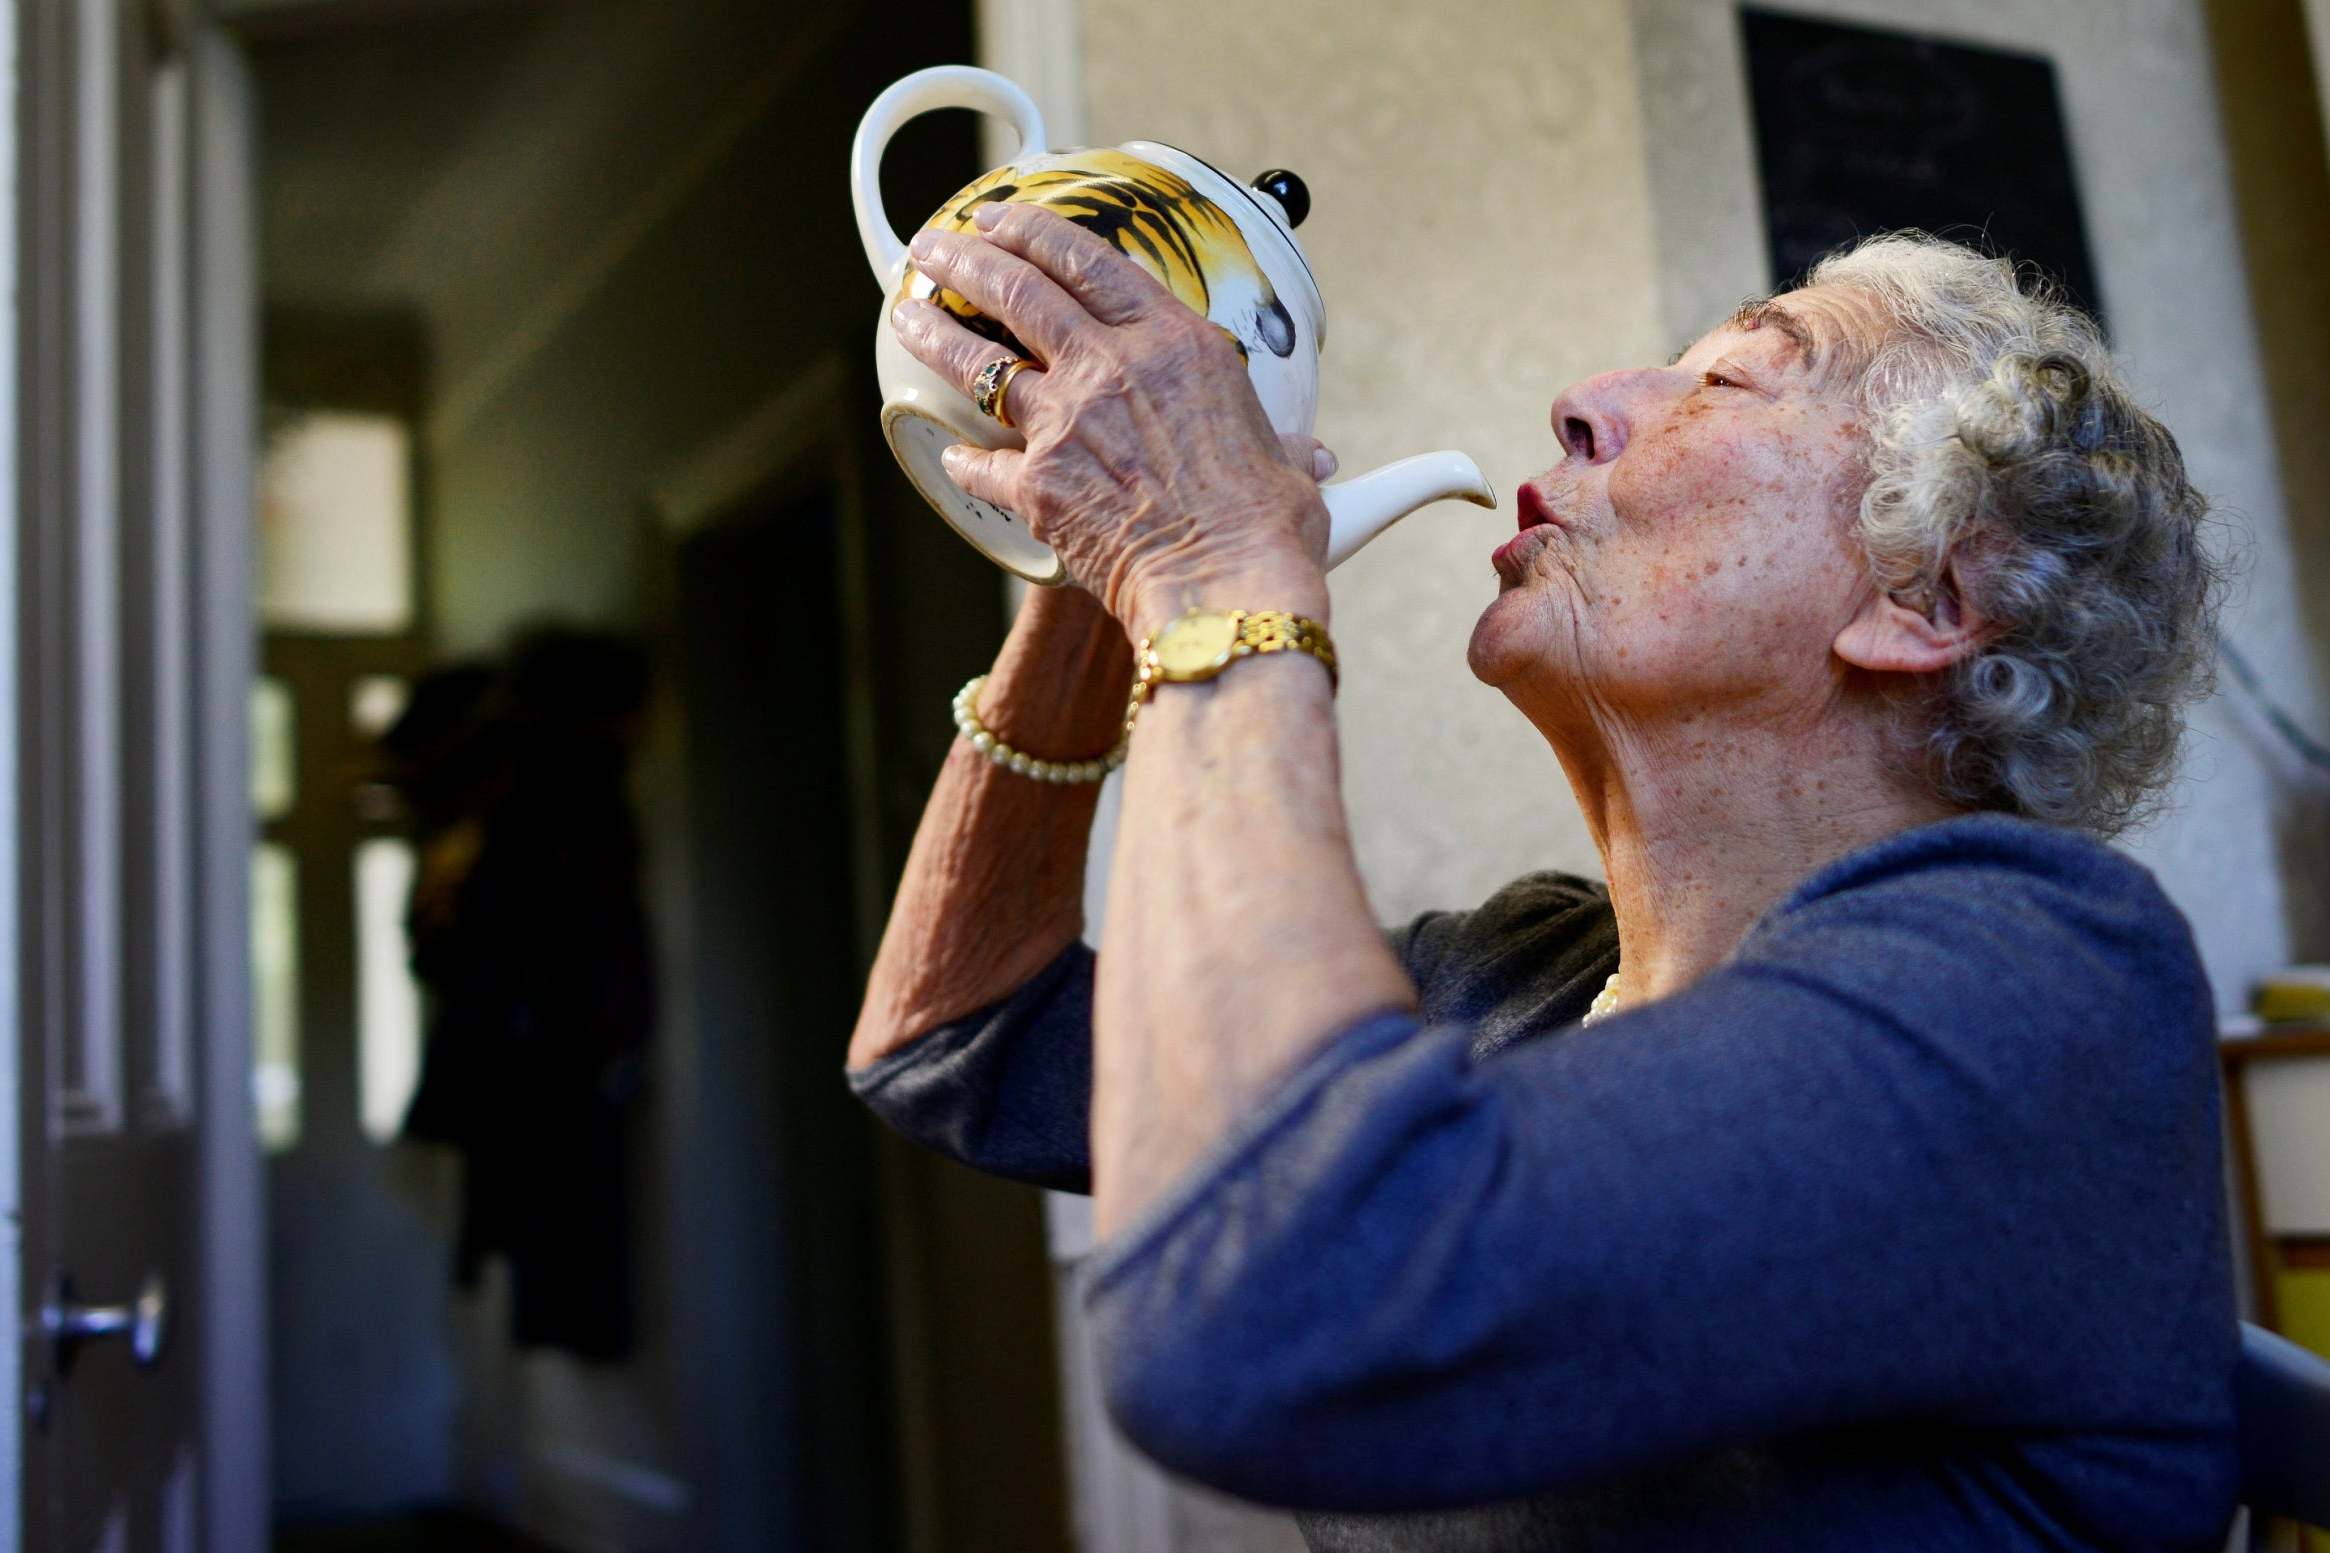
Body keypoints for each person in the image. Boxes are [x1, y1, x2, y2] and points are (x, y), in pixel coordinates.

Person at [845, 204, 2236, 1551]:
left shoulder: (2041, 987)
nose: (1583, 401)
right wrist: (1100, 575)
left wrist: (1207, 567)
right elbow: (955, 1036)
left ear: (1925, 601)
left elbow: (1269, 1314)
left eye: (1732, 379)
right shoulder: (1513, 974)